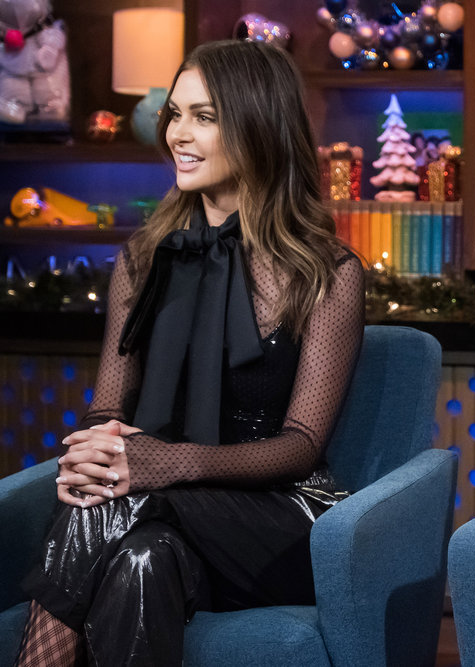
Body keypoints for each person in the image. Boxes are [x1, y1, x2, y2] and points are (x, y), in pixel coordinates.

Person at [14, 40, 365, 667]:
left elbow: (302, 444)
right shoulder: (143, 258)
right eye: (174, 114)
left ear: (259, 123)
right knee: (141, 562)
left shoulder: (324, 271)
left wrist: (165, 463)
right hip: (158, 513)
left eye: (205, 117)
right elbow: (108, 407)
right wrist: (100, 449)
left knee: (125, 500)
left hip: (284, 515)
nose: (178, 133)